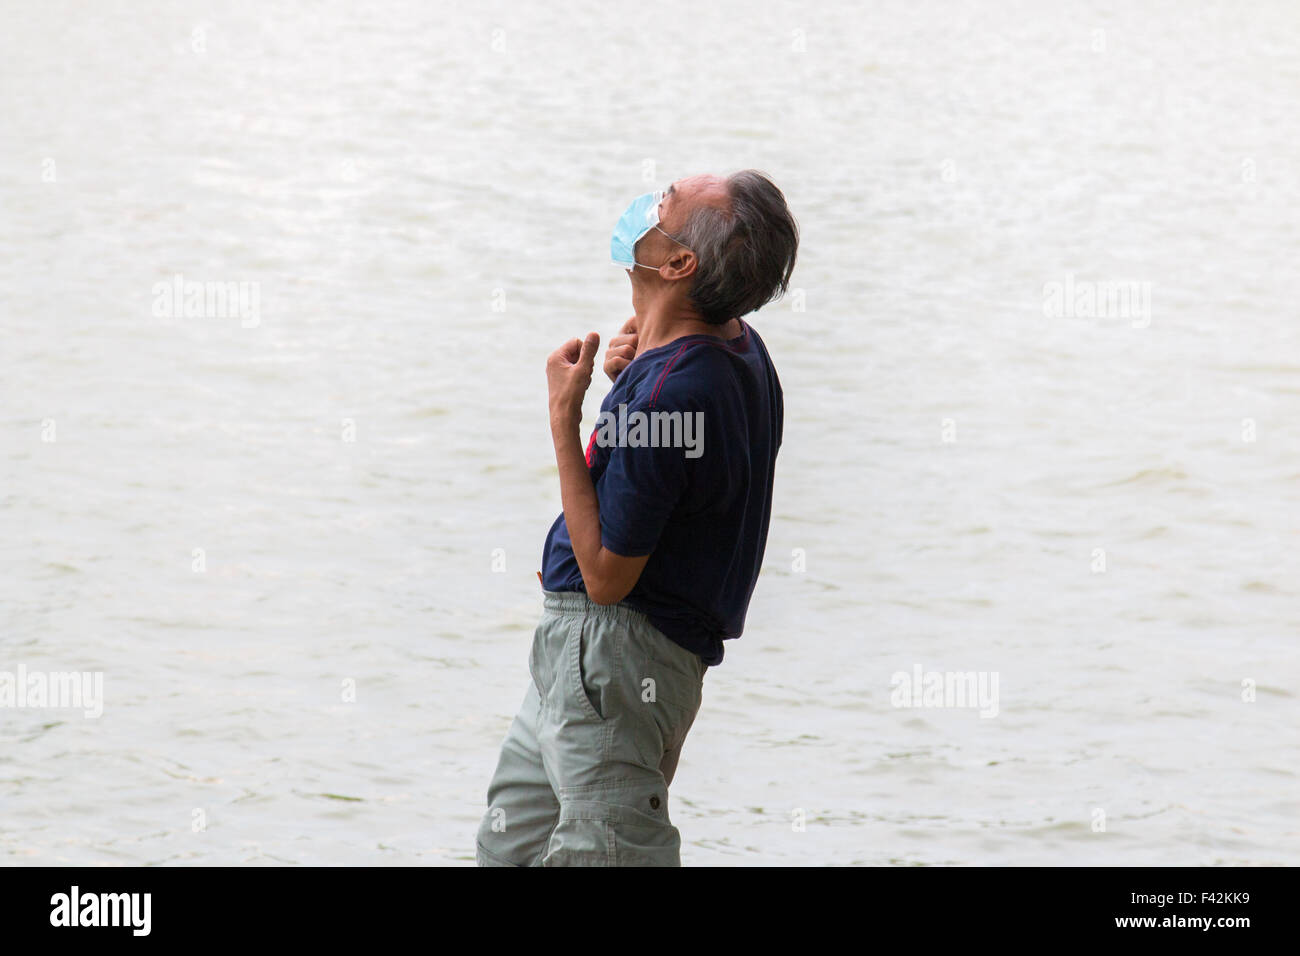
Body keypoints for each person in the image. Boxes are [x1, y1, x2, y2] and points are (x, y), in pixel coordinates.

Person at [475, 170, 799, 866]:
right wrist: (635, 382)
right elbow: (687, 464)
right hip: (583, 662)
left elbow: (606, 576)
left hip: (613, 657)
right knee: (511, 845)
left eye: (662, 204)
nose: (646, 202)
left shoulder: (668, 396)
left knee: (610, 853)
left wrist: (566, 417)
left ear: (679, 263)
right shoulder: (734, 352)